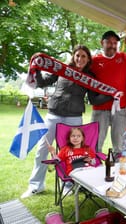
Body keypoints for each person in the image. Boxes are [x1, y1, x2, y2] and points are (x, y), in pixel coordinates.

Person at [21, 45, 93, 198]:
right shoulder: (62, 70)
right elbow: (42, 83)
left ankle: (67, 183)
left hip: (74, 117)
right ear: (73, 56)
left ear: (88, 60)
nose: (80, 59)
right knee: (43, 148)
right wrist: (37, 69)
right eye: (77, 55)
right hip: (54, 114)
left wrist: (113, 95)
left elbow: (95, 96)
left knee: (70, 152)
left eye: (84, 57)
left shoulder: (89, 77)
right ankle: (36, 185)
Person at [89, 30, 126, 153]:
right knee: (95, 143)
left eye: (115, 43)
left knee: (119, 145)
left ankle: (118, 170)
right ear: (102, 43)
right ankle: (94, 169)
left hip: (120, 108)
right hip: (100, 109)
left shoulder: (125, 58)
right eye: (109, 42)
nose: (112, 46)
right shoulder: (93, 61)